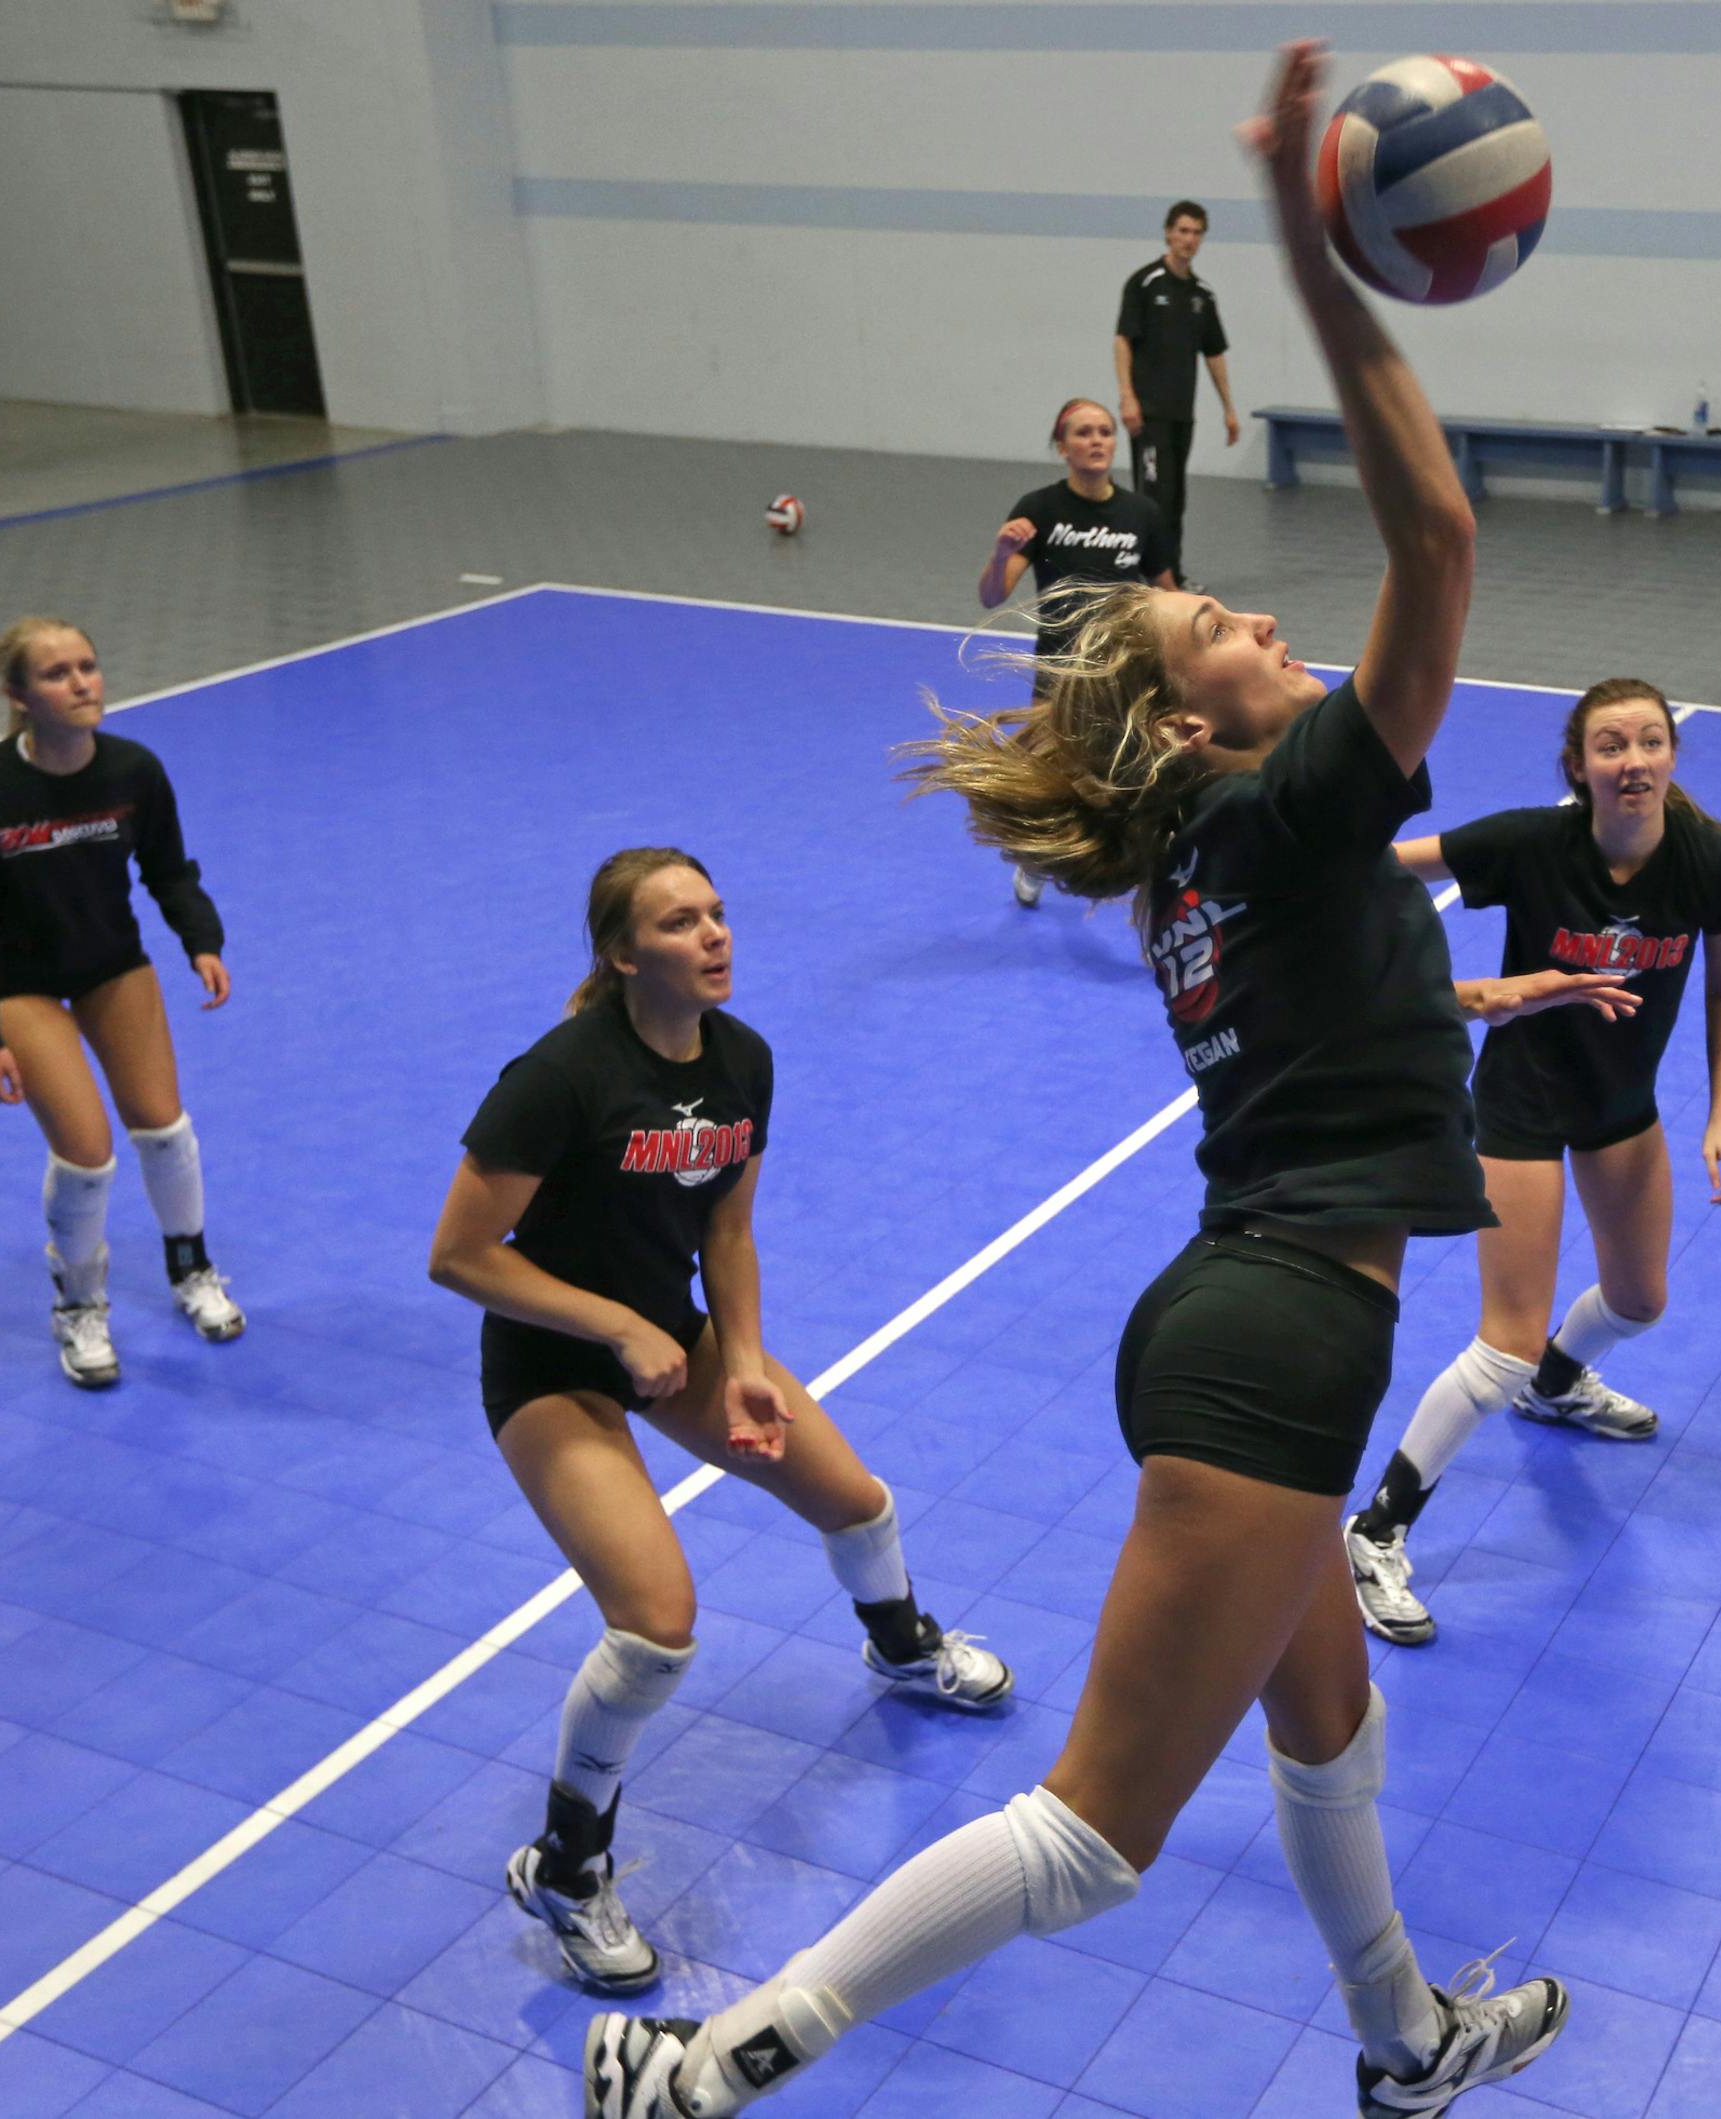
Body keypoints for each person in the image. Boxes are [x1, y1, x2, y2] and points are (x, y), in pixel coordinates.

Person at [580, 50, 1587, 2118]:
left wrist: (1482, 1009)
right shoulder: (1282, 803)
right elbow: (1447, 533)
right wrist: (1319, 258)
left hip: (1233, 1311)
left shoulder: (1215, 864)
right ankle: (712, 2067)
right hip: (1283, 1340)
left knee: (1326, 1732)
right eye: (1227, 622)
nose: (1264, 622)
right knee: (1095, 1836)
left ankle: (1404, 2047)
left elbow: (1346, 1021)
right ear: (1183, 715)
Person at [428, 847, 1012, 1995]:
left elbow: (728, 1234)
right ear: (620, 953)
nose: (715, 935)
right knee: (656, 1624)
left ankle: (901, 1647)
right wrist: (615, 1328)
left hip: (672, 1333)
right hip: (555, 1366)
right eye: (682, 921)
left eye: (719, 914)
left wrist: (739, 1360)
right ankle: (569, 1866)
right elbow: (458, 1257)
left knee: (855, 1498)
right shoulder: (557, 1078)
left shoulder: (741, 1060)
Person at [1345, 682, 1721, 1646]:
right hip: (1524, 1097)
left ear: (1670, 758)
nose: (1635, 759)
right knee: (1505, 1341)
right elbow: (1384, 866)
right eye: (1611, 744)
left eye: (1651, 741)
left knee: (1641, 1300)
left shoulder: (1709, 866)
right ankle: (1376, 1529)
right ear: (1580, 766)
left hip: (1621, 1103)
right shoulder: (1534, 841)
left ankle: (1562, 1382)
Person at [0, 617, 244, 1389]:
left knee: (165, 1129)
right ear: (18, 695)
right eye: (56, 673)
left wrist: (201, 940)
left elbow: (169, 870)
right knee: (88, 1156)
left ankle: (191, 1268)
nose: (81, 683)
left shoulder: (135, 771)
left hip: (110, 965)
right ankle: (79, 1304)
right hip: (21, 985)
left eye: (88, 667)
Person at [978, 396, 1176, 907]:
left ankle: (1153, 888)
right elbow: (991, 596)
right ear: (1062, 447)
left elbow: (1167, 593)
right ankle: (1035, 864)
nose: (1096, 441)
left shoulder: (1142, 513)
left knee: (1141, 780)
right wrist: (1002, 553)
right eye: (1083, 433)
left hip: (1124, 672)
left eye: (1105, 432)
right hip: (1059, 674)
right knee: (1055, 782)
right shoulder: (1039, 510)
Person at [1114, 199, 1240, 587]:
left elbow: (1214, 353)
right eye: (1183, 231)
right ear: (1169, 233)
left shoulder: (1202, 295)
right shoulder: (1145, 283)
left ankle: (1172, 576)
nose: (1189, 239)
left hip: (1182, 414)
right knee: (1151, 499)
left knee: (1174, 501)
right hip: (1148, 413)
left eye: (1196, 233)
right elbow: (1123, 342)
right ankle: (1143, 578)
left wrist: (1228, 408)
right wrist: (1128, 397)